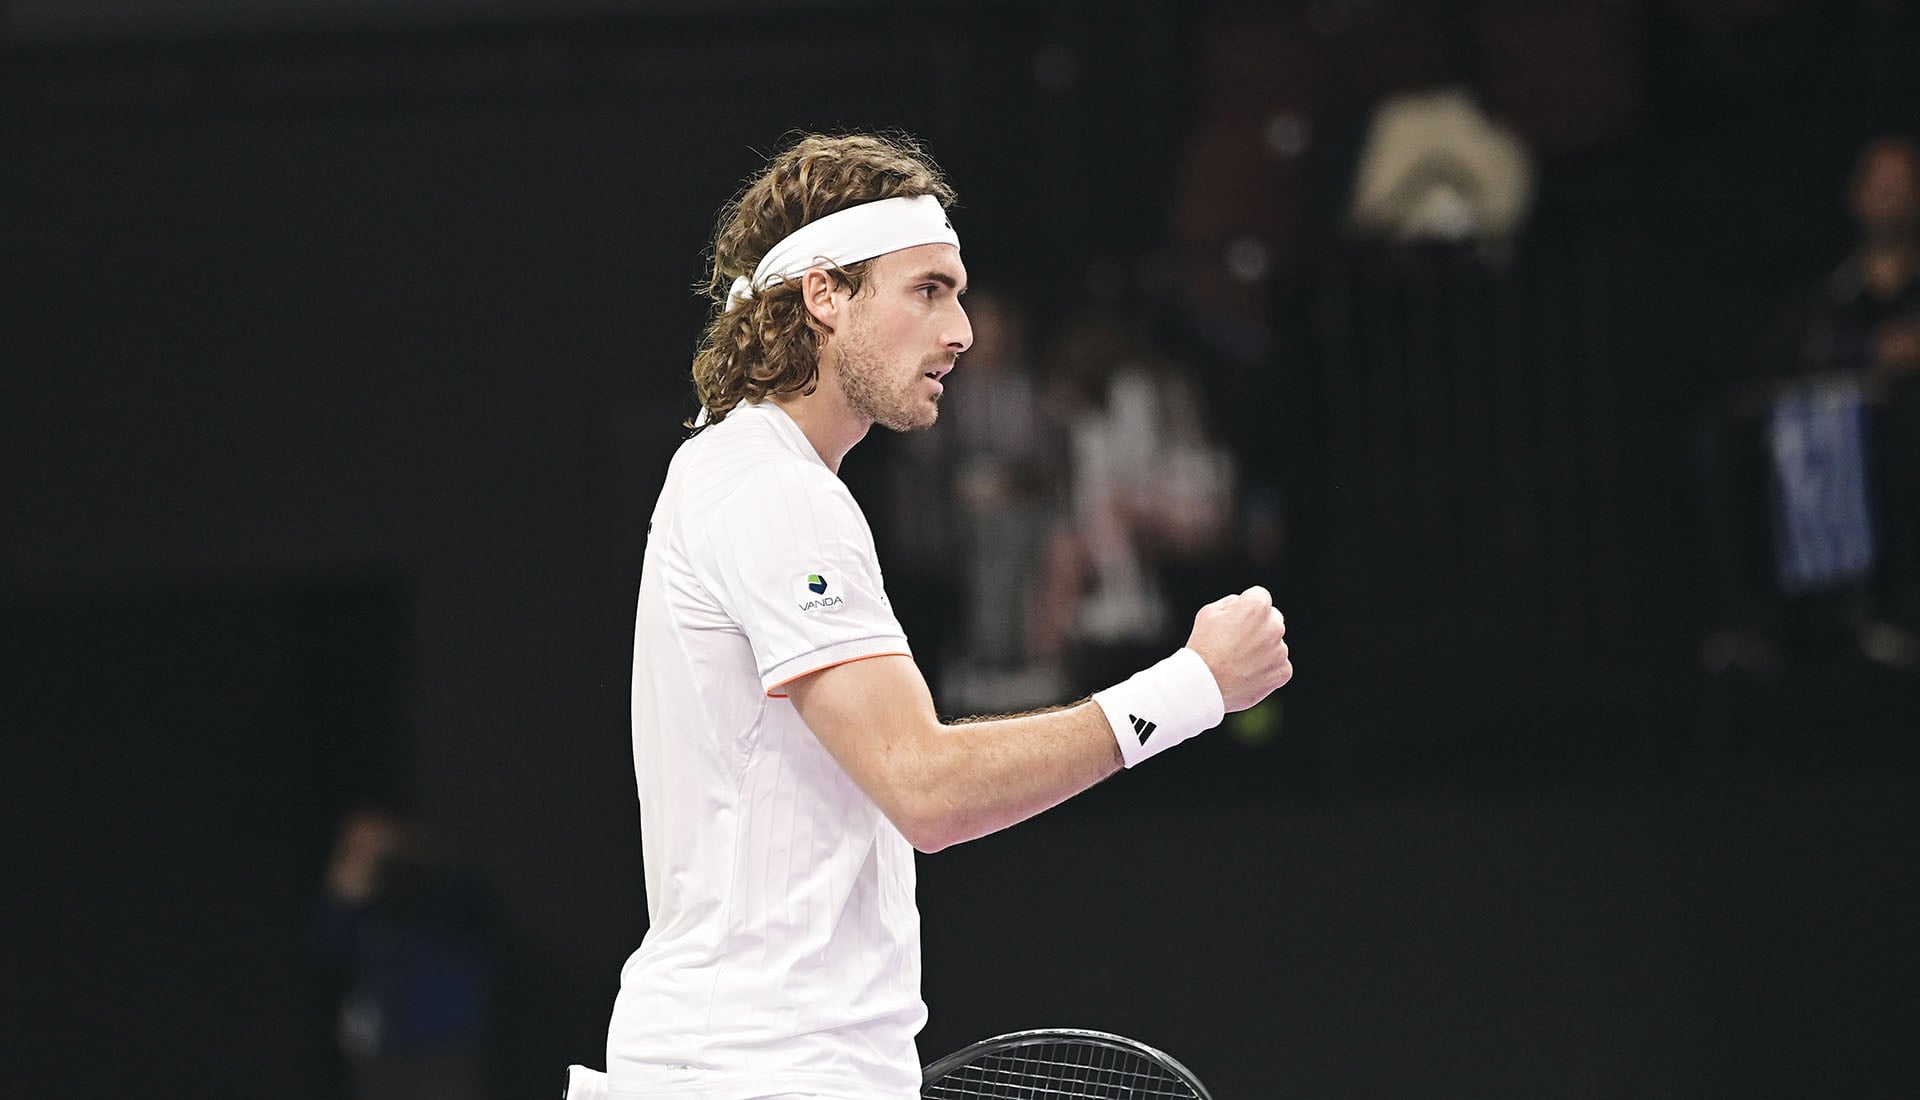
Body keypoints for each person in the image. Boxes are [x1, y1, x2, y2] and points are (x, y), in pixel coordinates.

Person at [603, 132, 1293, 1100]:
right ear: (824, 294)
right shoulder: (773, 491)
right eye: (928, 290)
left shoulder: (744, 475)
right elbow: (926, 787)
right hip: (755, 1073)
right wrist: (1194, 688)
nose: (961, 329)